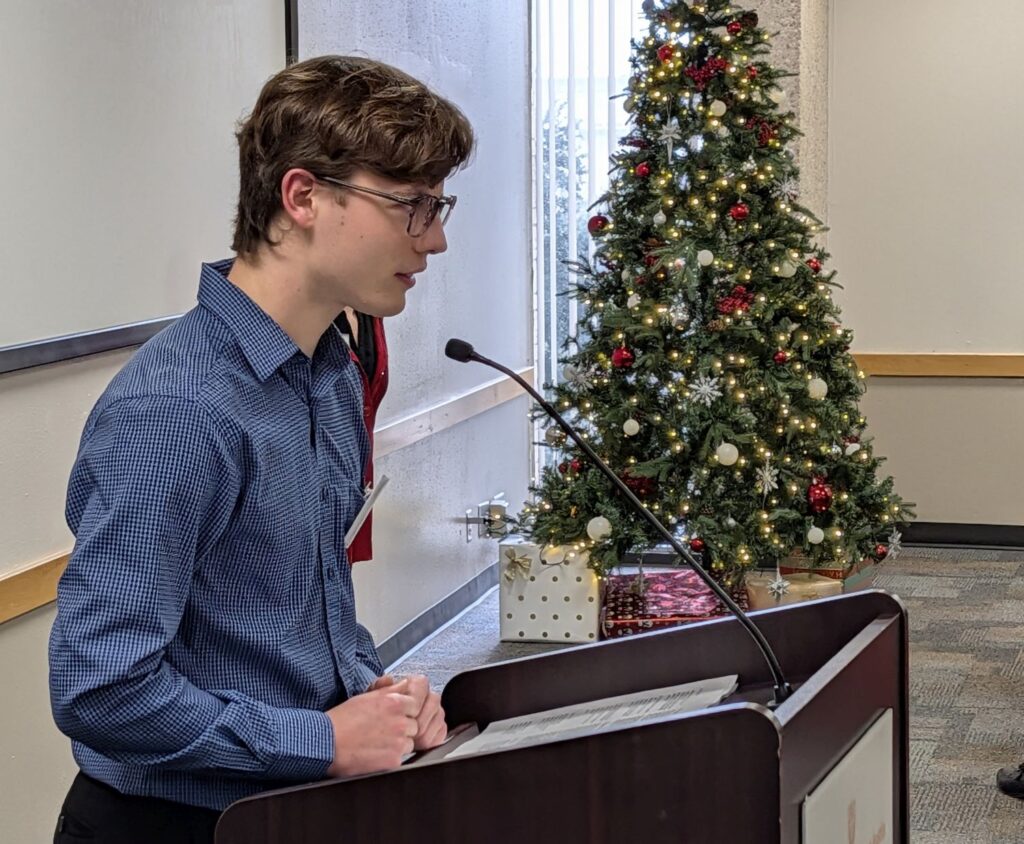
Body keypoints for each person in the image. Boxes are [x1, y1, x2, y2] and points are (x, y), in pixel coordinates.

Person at [48, 55, 474, 843]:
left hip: (290, 808)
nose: (437, 238)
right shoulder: (177, 410)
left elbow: (297, 612)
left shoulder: (329, 375)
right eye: (412, 205)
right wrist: (322, 740)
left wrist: (374, 695)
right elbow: (101, 688)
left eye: (437, 205)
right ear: (303, 197)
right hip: (170, 826)